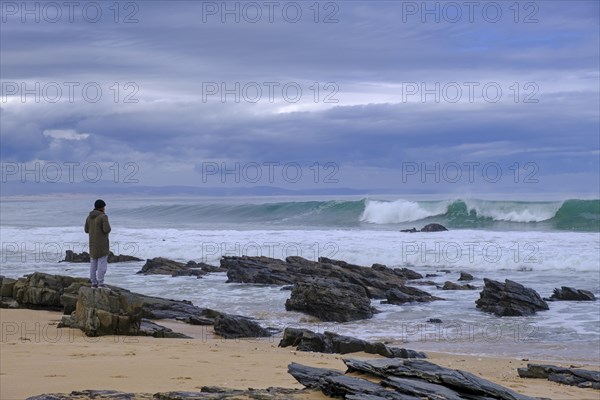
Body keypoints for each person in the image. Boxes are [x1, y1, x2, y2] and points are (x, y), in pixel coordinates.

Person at [85, 199, 111, 288]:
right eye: (104, 207)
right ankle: (101, 283)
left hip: (92, 243)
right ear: (102, 208)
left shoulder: (89, 217)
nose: (105, 209)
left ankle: (93, 283)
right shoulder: (103, 217)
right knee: (102, 263)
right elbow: (107, 229)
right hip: (102, 244)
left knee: (93, 263)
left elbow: (86, 230)